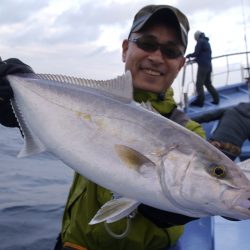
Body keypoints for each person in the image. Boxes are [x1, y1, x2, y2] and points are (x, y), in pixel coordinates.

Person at [0, 5, 206, 250]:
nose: (157, 57)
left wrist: (188, 203)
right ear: (125, 49)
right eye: (148, 44)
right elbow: (63, 137)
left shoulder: (189, 133)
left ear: (181, 64)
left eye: (170, 51)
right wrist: (20, 106)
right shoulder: (87, 101)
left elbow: (179, 204)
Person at [186, 30, 219, 107]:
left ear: (197, 37)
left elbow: (196, 53)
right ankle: (216, 100)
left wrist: (189, 55)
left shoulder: (200, 42)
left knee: (199, 84)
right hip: (208, 66)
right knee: (208, 83)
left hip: (203, 67)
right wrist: (196, 59)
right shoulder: (206, 42)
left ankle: (200, 102)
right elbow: (203, 54)